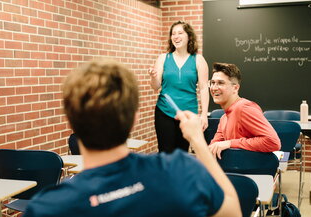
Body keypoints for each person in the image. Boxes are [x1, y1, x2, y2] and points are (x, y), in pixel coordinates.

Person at [23, 59, 241, 217]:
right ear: (134, 117)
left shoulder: (46, 209)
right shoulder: (180, 169)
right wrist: (198, 141)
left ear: (70, 120)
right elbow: (232, 209)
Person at [149, 20, 209, 153]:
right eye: (173, 34)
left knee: (181, 152)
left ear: (189, 36)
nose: (176, 36)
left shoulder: (198, 60)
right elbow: (155, 87)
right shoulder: (163, 58)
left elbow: (204, 88)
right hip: (164, 111)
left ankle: (178, 174)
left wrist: (204, 115)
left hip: (188, 113)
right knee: (165, 152)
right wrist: (153, 77)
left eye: (180, 33)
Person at [208, 62, 281, 159]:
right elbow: (213, 147)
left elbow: (273, 142)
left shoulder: (244, 108)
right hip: (235, 168)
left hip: (252, 171)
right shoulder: (224, 118)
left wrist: (230, 143)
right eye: (212, 83)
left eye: (220, 83)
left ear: (235, 88)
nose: (214, 88)